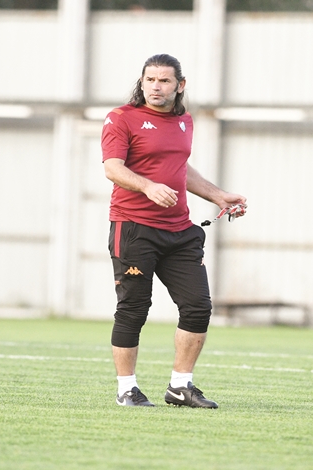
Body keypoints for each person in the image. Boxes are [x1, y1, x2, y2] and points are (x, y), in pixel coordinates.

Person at [101, 53, 247, 408]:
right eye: (149, 80)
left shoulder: (185, 121)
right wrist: (148, 186)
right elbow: (113, 168)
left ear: (180, 85)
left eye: (164, 80)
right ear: (141, 82)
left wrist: (218, 195)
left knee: (198, 307)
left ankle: (180, 386)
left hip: (179, 231)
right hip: (134, 228)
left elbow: (180, 167)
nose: (156, 87)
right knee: (134, 309)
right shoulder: (121, 118)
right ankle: (127, 389)